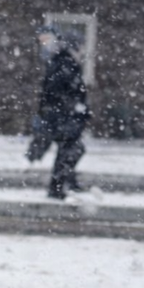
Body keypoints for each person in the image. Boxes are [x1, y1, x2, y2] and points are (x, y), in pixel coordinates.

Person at [27, 24, 90, 199]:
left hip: (63, 116)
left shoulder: (62, 62)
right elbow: (60, 92)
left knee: (70, 149)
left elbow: (53, 92)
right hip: (65, 117)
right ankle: (58, 187)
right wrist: (74, 111)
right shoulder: (65, 63)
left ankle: (66, 183)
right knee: (70, 150)